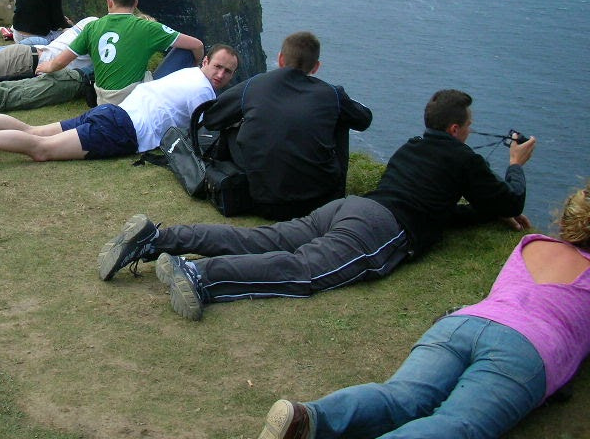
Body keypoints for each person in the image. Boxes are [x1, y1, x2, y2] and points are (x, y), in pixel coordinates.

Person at [98, 89, 536, 321]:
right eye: (470, 124)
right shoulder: (463, 156)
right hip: (379, 229)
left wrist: (486, 211)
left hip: (350, 209)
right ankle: (199, 275)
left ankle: (159, 238)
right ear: (458, 128)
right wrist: (516, 164)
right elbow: (510, 196)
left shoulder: (412, 148)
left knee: (262, 238)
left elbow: (438, 210)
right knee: (304, 270)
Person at [256, 182, 590, 439]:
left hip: (463, 323)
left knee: (401, 397)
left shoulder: (532, 244)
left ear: (566, 219)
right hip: (525, 349)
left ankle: (308, 419)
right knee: (457, 423)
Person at [0, 45, 240, 168]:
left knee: (34, 131)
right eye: (218, 67)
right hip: (121, 128)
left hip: (114, 112)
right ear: (207, 61)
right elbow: (203, 132)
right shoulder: (203, 91)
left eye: (228, 72)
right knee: (40, 149)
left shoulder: (188, 73)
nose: (221, 75)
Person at [204, 31, 372, 220]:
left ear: (280, 59)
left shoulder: (255, 85)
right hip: (318, 204)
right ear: (316, 67)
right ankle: (338, 197)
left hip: (260, 200)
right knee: (342, 119)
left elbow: (212, 118)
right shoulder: (332, 94)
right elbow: (364, 119)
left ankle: (229, 174)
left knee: (232, 121)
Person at [36, 0, 204, 105]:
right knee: (185, 50)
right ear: (135, 3)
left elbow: (59, 62)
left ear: (109, 2)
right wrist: (195, 67)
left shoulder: (92, 27)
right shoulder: (146, 27)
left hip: (103, 100)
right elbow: (197, 45)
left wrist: (47, 66)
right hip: (134, 101)